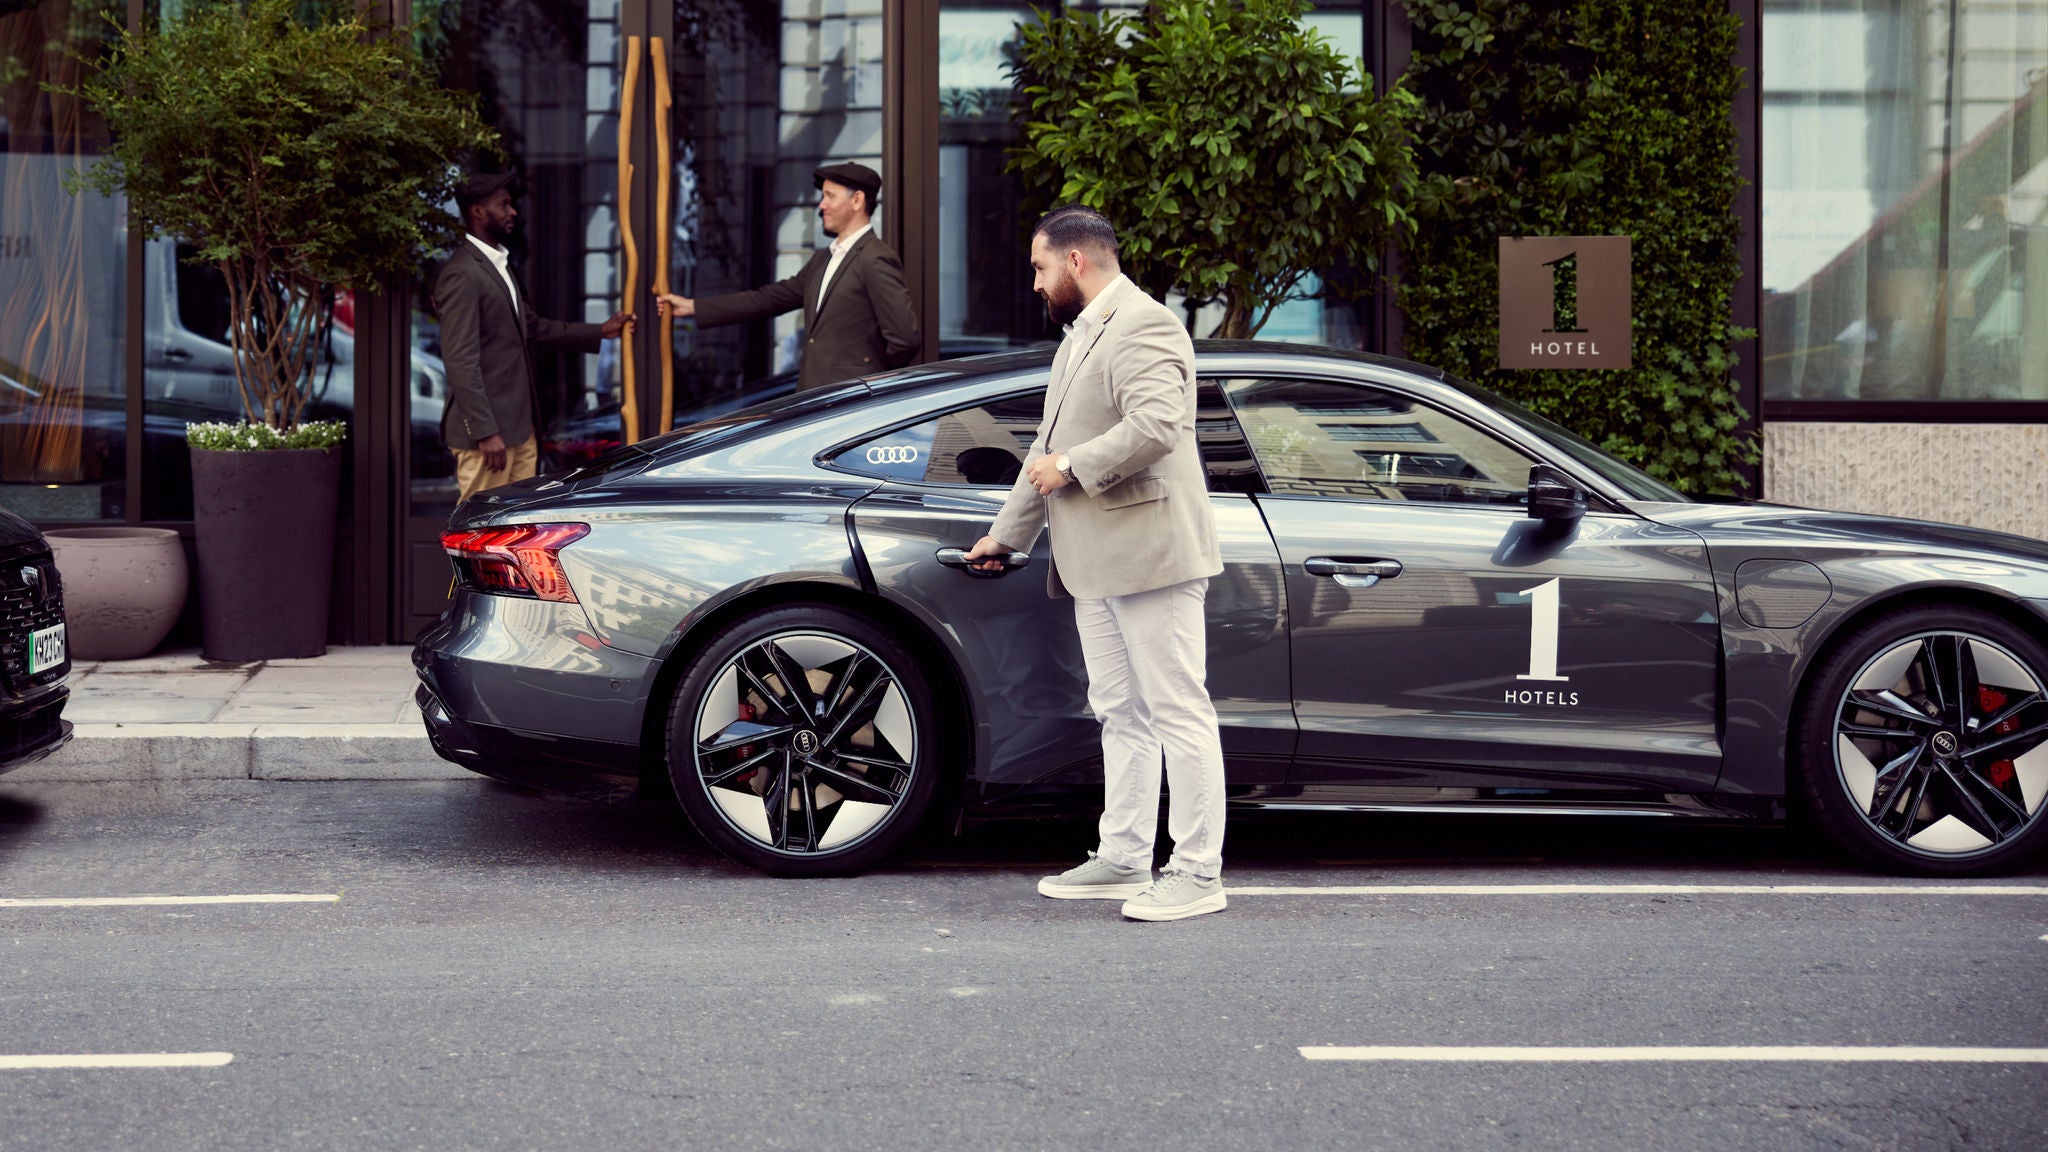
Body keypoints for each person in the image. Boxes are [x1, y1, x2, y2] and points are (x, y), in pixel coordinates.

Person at [965, 205, 1227, 922]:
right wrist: (1006, 536)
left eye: (1040, 268)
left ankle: (1199, 872)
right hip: (1095, 561)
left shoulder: (1145, 323)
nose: (1036, 283)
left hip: (1151, 554)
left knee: (1177, 710)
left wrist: (1074, 465)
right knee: (1121, 712)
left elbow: (1157, 425)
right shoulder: (1081, 334)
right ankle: (1123, 857)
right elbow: (1045, 449)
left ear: (1077, 262)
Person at [435, 171, 633, 504]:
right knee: (479, 528)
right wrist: (485, 432)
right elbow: (460, 360)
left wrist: (600, 332)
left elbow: (534, 328)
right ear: (478, 212)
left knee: (514, 530)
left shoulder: (498, 265)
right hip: (490, 437)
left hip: (518, 429)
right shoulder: (463, 274)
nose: (512, 212)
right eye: (503, 205)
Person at [654, 161, 920, 391]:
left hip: (852, 405)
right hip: (815, 400)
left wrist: (870, 378)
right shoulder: (823, 259)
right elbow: (765, 300)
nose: (821, 205)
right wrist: (693, 307)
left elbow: (905, 339)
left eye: (830, 196)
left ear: (857, 200)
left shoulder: (875, 258)